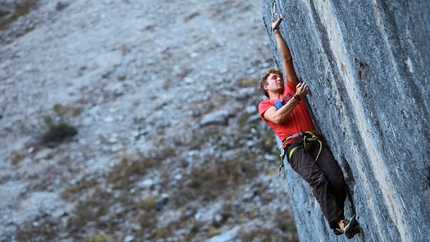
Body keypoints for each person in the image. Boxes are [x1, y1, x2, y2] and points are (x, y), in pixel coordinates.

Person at [258, 13, 359, 238]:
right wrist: (296, 99)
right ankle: (340, 224)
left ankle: (338, 213)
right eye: (273, 79)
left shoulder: (291, 89)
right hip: (294, 147)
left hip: (314, 140)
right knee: (318, 179)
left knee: (337, 180)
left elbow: (287, 60)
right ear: (266, 86)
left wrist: (276, 31)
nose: (278, 79)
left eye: (279, 77)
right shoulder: (265, 104)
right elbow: (277, 119)